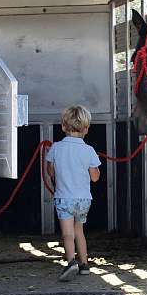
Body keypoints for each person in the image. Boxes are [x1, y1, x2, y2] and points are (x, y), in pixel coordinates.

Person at [46, 105, 101, 281]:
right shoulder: (89, 150)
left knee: (67, 233)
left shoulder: (55, 148)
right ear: (86, 128)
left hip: (64, 199)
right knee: (80, 231)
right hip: (84, 200)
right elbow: (95, 178)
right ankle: (84, 264)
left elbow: (50, 171)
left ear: (63, 127)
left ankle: (71, 262)